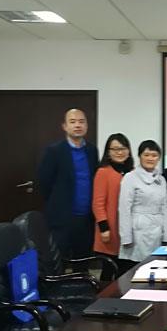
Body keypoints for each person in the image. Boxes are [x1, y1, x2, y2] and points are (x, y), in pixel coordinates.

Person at [38, 108, 98, 260]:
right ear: (64, 126)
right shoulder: (54, 151)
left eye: (81, 121)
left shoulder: (92, 150)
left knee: (83, 261)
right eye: (72, 122)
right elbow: (45, 183)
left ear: (86, 126)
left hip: (86, 219)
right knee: (59, 262)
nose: (77, 125)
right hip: (61, 219)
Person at [118, 140, 167, 262]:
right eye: (146, 155)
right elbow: (124, 209)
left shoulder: (161, 180)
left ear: (159, 158)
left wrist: (166, 235)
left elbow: (164, 208)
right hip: (137, 232)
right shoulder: (130, 177)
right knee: (136, 268)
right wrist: (126, 237)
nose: (150, 158)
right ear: (139, 156)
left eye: (154, 155)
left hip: (157, 232)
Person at [92, 133, 134, 280]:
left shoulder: (133, 173)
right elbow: (98, 203)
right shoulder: (103, 172)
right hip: (110, 230)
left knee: (125, 271)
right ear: (108, 152)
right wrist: (104, 228)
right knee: (109, 271)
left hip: (128, 230)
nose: (119, 152)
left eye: (123, 148)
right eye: (115, 149)